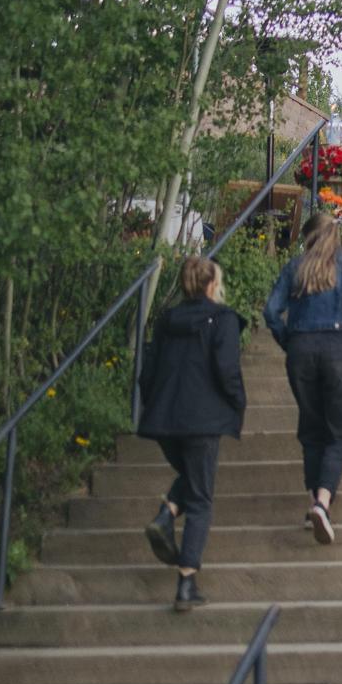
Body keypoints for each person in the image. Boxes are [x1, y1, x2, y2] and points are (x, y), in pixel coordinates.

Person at [138, 256, 245, 612]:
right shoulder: (223, 319)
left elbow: (147, 370)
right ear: (212, 284)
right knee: (201, 498)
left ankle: (167, 513)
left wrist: (151, 404)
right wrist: (236, 403)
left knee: (192, 478)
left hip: (165, 420)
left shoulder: (167, 320)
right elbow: (227, 369)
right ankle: (186, 580)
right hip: (201, 420)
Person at [263, 213, 342, 544]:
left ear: (307, 237)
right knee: (340, 433)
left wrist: (288, 339)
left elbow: (270, 311)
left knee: (311, 429)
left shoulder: (294, 267)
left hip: (301, 349)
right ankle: (323, 503)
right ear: (335, 236)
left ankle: (315, 502)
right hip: (339, 347)